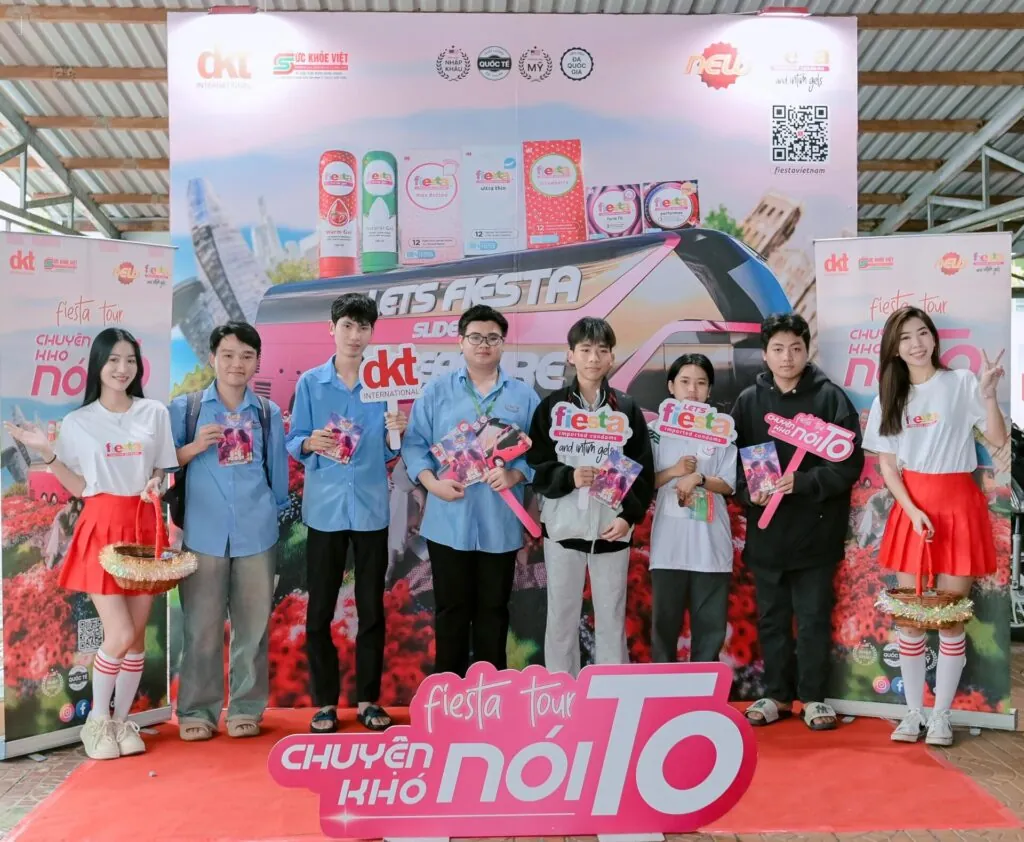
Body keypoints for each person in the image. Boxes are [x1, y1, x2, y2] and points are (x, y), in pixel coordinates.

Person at [5, 328, 178, 760]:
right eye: (113, 360)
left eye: (130, 360)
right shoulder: (79, 422)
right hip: (101, 524)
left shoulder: (154, 412)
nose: (123, 369)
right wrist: (46, 452)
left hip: (144, 524)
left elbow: (162, 470)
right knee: (119, 632)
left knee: (135, 639)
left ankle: (121, 722)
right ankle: (97, 722)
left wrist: (157, 482)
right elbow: (80, 487)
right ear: (98, 365)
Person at [864, 306, 1005, 746]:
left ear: (933, 338)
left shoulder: (961, 382)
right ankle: (913, 712)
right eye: (905, 337)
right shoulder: (888, 396)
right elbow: (889, 468)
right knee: (910, 618)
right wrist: (911, 510)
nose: (916, 344)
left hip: (959, 506)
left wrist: (988, 396)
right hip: (913, 512)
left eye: (922, 333)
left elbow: (998, 440)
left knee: (948, 617)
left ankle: (941, 715)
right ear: (894, 348)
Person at [731, 313, 864, 731]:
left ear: (808, 350)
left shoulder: (830, 399)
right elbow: (731, 462)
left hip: (816, 534)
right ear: (764, 354)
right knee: (771, 619)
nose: (787, 357)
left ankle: (813, 699)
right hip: (767, 533)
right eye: (778, 348)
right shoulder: (748, 402)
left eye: (795, 348)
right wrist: (746, 491)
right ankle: (775, 695)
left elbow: (849, 465)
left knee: (812, 619)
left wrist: (804, 482)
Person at [286, 294, 408, 733]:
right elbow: (294, 439)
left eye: (364, 327)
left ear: (373, 332)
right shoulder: (311, 383)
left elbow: (393, 454)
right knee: (320, 609)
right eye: (348, 326)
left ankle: (369, 700)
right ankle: (325, 703)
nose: (356, 336)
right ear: (332, 329)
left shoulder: (386, 380)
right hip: (325, 511)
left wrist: (397, 433)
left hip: (372, 510)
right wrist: (308, 442)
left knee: (372, 609)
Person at [401, 304, 540, 678]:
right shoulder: (437, 392)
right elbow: (414, 444)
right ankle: (448, 693)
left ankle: (491, 695)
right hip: (449, 520)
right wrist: (432, 484)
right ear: (460, 342)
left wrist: (516, 475)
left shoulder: (523, 396)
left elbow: (540, 452)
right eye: (475, 337)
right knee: (451, 611)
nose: (484, 344)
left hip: (500, 522)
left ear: (503, 343)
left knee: (494, 611)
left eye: (493, 338)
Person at [170, 322, 289, 742]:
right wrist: (194, 447)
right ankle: (197, 711)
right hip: (203, 535)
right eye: (228, 354)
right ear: (212, 358)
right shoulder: (185, 409)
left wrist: (271, 517)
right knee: (201, 628)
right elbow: (164, 464)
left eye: (246, 356)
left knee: (252, 628)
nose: (237, 363)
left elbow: (278, 477)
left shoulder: (267, 414)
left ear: (257, 361)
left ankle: (245, 708)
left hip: (257, 534)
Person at [526, 317, 654, 676]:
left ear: (612, 356)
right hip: (563, 528)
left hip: (611, 529)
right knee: (561, 616)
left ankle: (611, 692)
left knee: (611, 617)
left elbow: (642, 469)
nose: (593, 358)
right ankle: (561, 691)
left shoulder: (625, 408)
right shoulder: (552, 407)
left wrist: (627, 517)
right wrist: (568, 477)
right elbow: (537, 463)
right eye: (585, 350)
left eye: (601, 350)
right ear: (571, 355)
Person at [649, 354, 737, 664]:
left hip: (709, 544)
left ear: (709, 390)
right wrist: (674, 472)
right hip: (668, 545)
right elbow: (644, 481)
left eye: (700, 383)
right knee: (664, 628)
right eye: (684, 382)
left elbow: (729, 484)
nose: (692, 390)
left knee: (710, 631)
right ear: (670, 386)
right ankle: (664, 688)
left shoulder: (723, 431)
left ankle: (706, 690)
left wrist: (699, 478)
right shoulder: (656, 430)